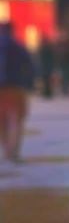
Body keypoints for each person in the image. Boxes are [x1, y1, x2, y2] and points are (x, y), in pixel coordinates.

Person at [0, 23, 36, 163]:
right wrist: (29, 84)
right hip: (16, 87)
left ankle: (7, 151)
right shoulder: (19, 47)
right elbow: (29, 66)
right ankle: (14, 152)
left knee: (1, 122)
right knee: (15, 121)